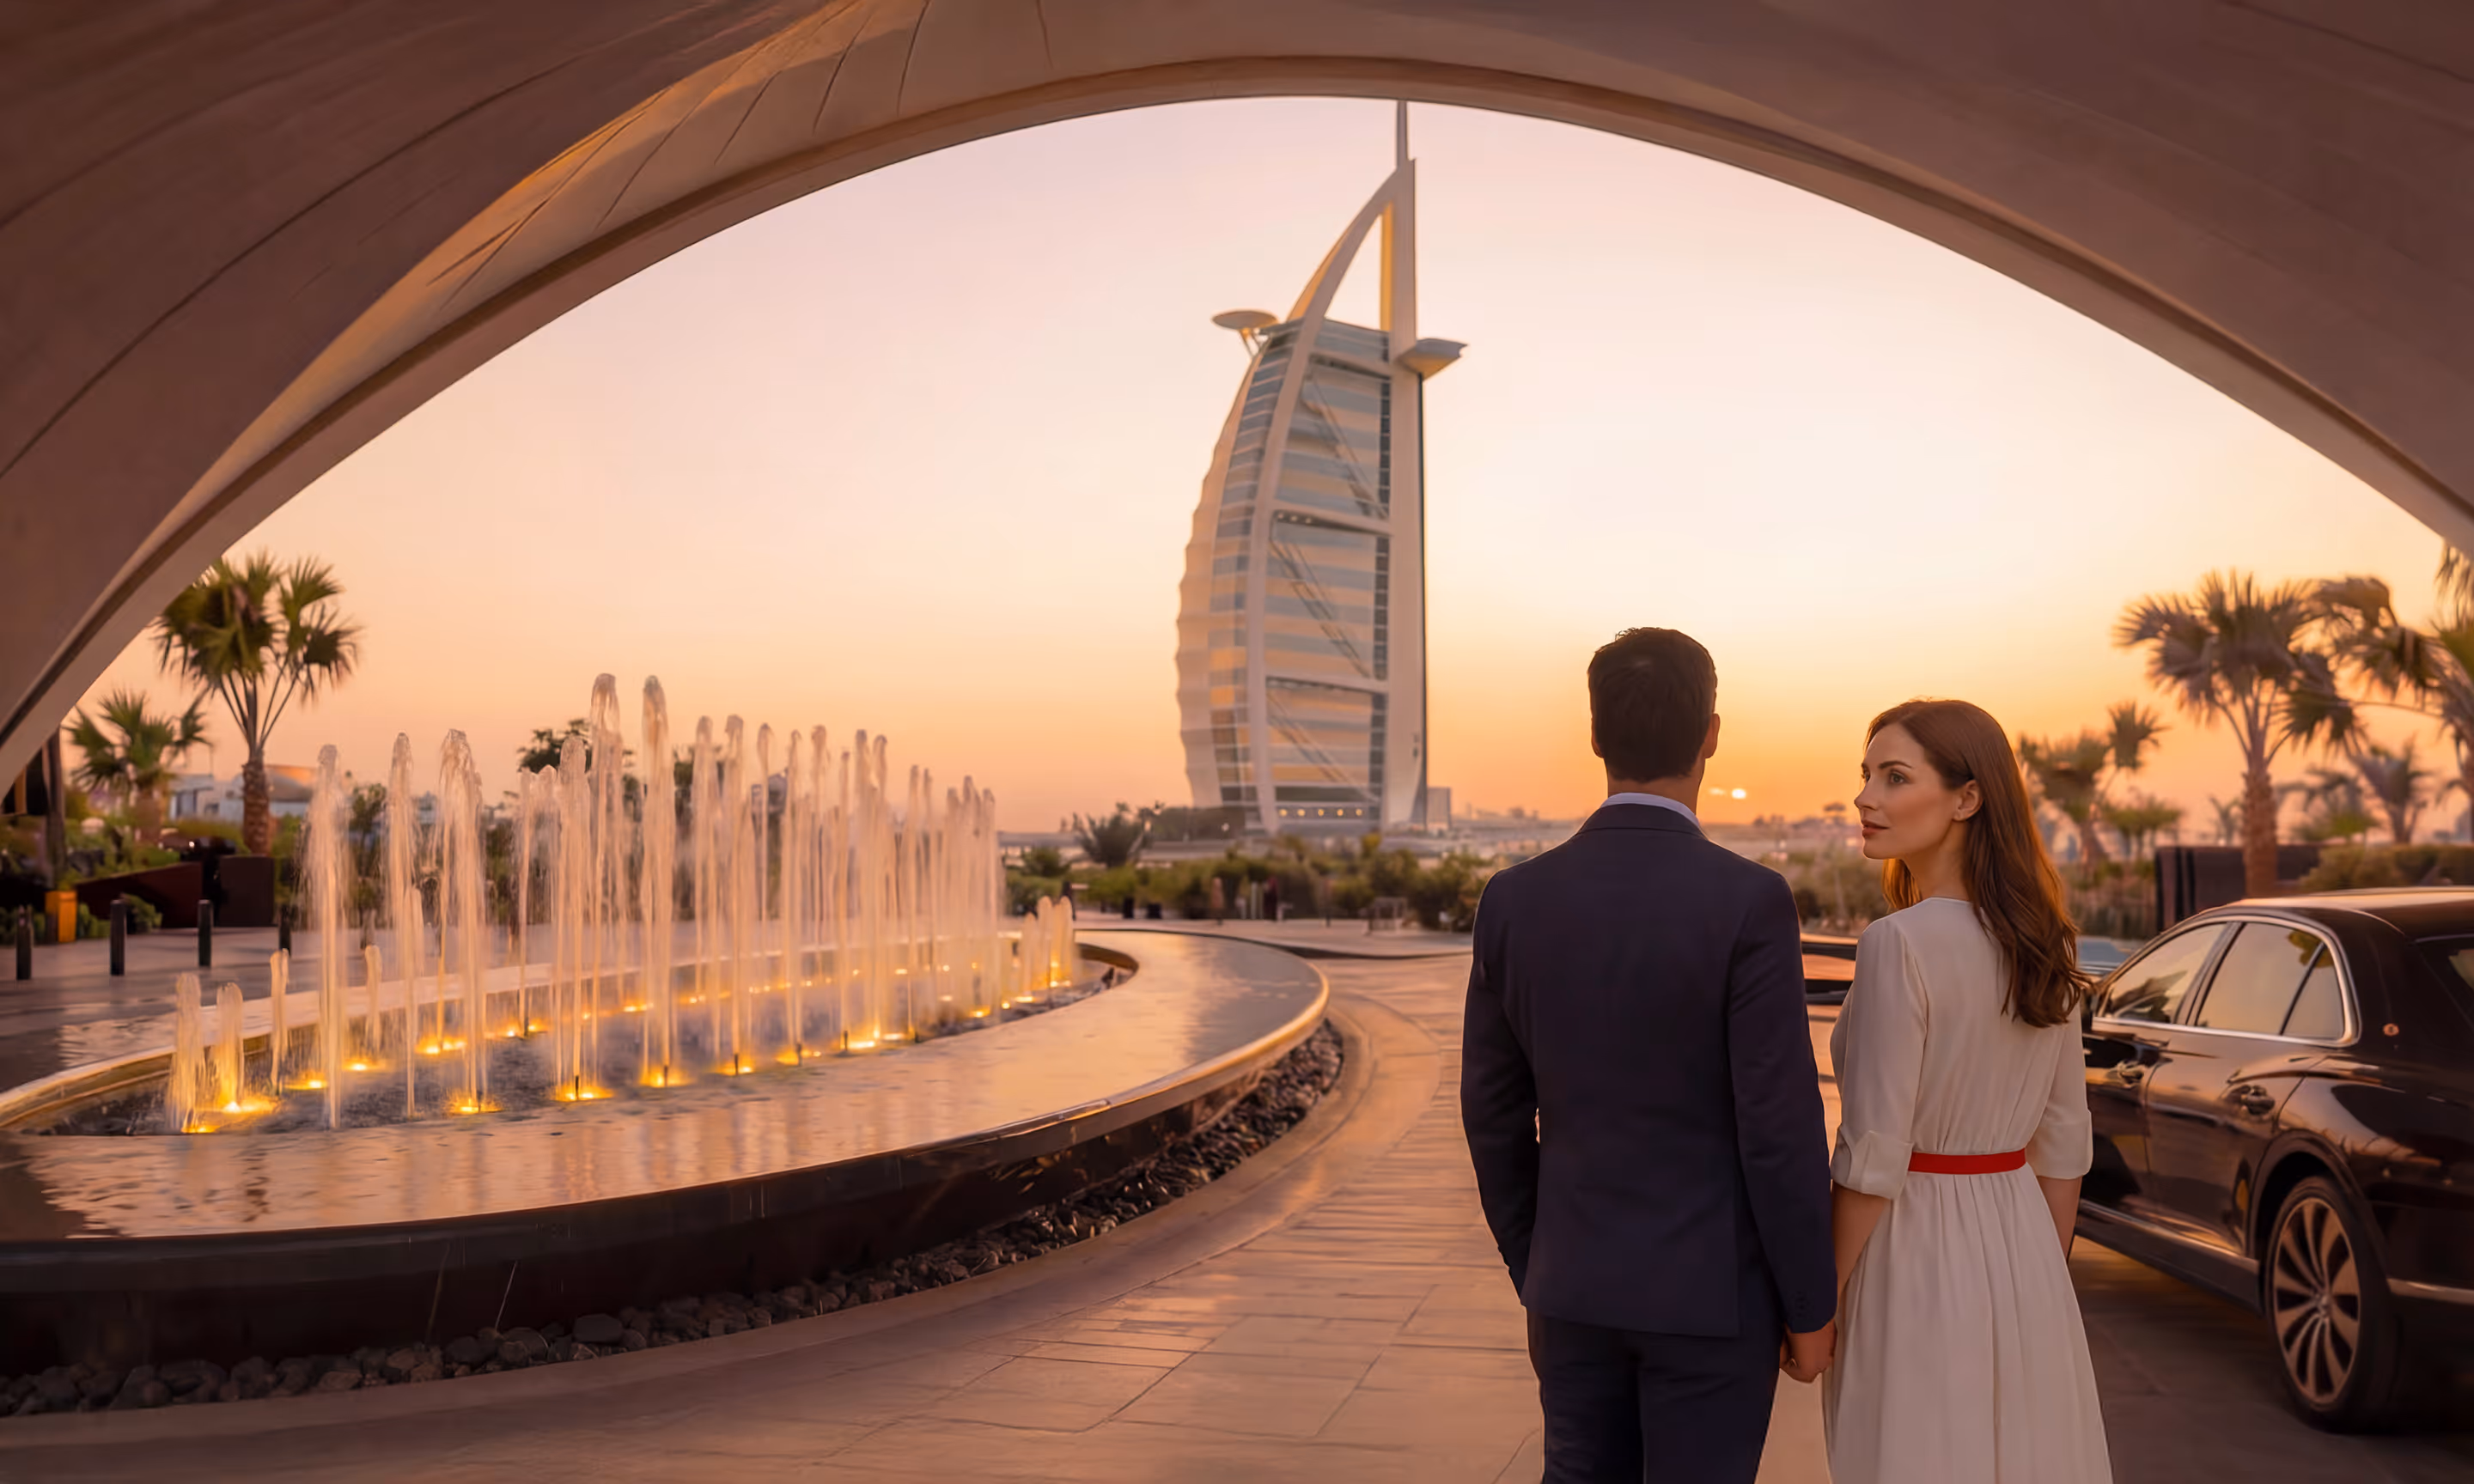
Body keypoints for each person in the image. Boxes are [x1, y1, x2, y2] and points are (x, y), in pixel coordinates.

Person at [1462, 628, 1837, 1482]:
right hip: (1715, 1300)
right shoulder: (1748, 901)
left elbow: (1490, 1116)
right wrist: (1810, 1301)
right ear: (1711, 733)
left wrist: (1539, 1269)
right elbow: (1777, 1123)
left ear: (1595, 735)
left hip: (1574, 1291)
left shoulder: (1514, 902)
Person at [1825, 698, 2111, 1481]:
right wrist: (2035, 1281)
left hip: (1914, 1245)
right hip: (2022, 1246)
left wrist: (1818, 1299)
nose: (1865, 798)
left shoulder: (1896, 944)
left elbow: (1876, 1151)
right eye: (1866, 777)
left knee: (1912, 1451)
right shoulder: (2043, 943)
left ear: (1967, 797)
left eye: (1894, 777)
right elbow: (2063, 1144)